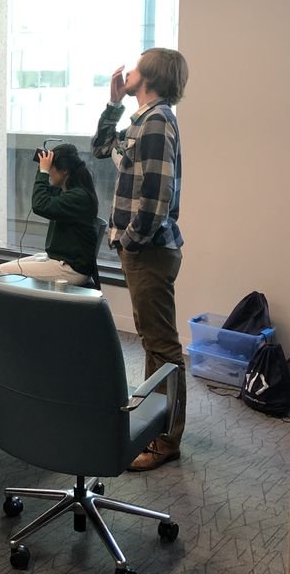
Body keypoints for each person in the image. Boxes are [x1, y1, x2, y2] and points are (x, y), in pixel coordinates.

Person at [91, 47, 188, 472]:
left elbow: (158, 196)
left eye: (133, 66)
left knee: (162, 346)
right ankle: (154, 425)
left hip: (149, 250)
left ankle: (166, 439)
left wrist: (131, 240)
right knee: (153, 342)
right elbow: (100, 149)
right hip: (142, 249)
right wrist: (112, 104)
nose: (125, 70)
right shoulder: (141, 121)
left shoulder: (157, 123)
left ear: (147, 76)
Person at [0, 143, 99, 285]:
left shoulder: (78, 197)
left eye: (51, 168)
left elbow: (40, 205)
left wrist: (43, 172)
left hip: (71, 268)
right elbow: (43, 195)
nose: (49, 173)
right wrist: (42, 168)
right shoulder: (69, 191)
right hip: (60, 260)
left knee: (0, 272)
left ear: (64, 171)